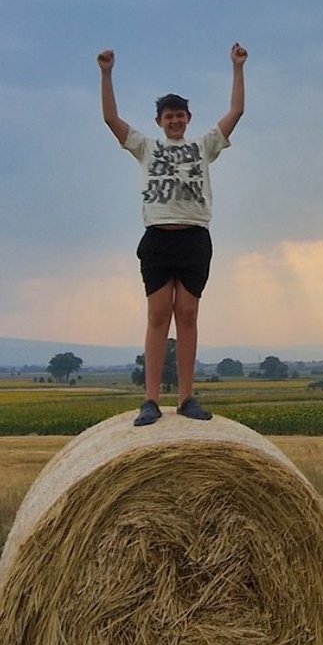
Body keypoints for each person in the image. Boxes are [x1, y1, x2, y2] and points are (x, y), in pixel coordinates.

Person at [98, 44, 246, 425]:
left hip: (195, 237)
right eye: (169, 116)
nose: (175, 121)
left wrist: (237, 67)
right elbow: (111, 118)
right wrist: (107, 74)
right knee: (158, 315)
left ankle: (185, 399)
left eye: (180, 115)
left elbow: (236, 112)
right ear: (160, 120)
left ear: (188, 117)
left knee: (189, 314)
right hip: (158, 240)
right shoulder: (146, 147)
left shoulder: (203, 146)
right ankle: (149, 401)